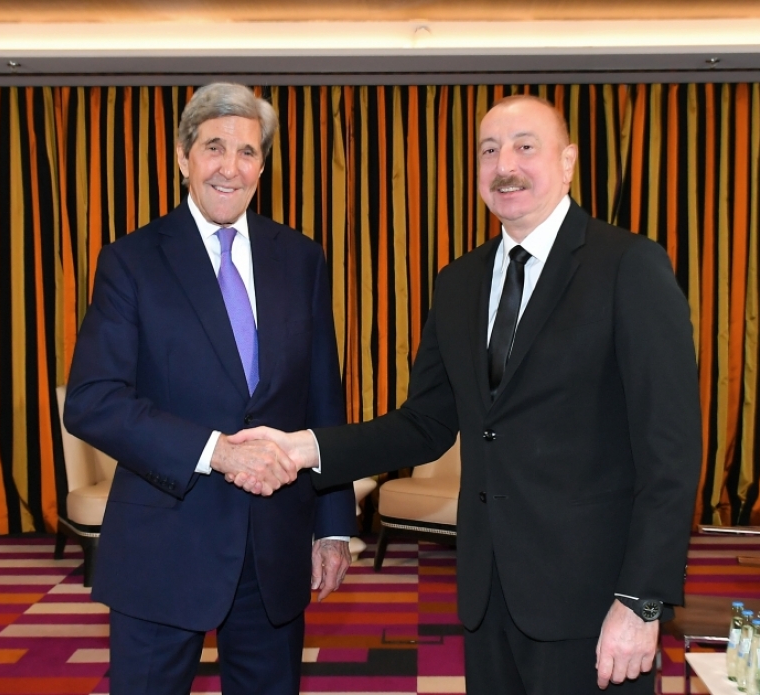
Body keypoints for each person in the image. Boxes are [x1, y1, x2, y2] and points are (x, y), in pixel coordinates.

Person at [229, 95, 702, 694]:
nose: (505, 165)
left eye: (525, 147)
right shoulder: (458, 283)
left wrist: (641, 602)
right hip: (487, 597)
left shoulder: (629, 266)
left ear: (568, 161)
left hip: (595, 602)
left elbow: (671, 453)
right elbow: (424, 424)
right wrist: (306, 448)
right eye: (489, 150)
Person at [63, 82, 356, 695]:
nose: (230, 167)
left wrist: (332, 525)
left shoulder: (301, 258)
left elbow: (322, 399)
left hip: (274, 547)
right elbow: (93, 399)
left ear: (263, 166)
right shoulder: (132, 261)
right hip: (164, 544)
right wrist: (215, 452)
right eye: (214, 147)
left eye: (247, 152)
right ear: (183, 157)